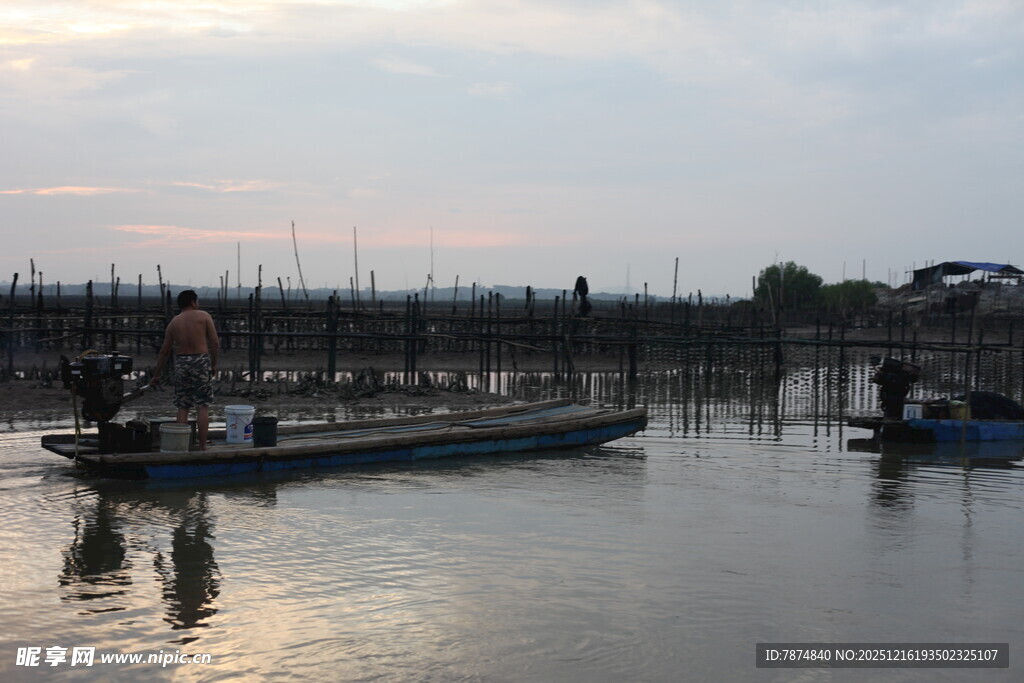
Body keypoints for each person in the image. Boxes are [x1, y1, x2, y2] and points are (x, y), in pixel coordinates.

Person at [151, 290, 220, 450]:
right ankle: (202, 446)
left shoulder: (174, 322)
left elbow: (164, 352)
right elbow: (215, 343)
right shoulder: (203, 316)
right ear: (193, 302)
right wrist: (213, 364)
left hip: (181, 362)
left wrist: (156, 375)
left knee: (183, 406)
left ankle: (179, 446)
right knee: (202, 405)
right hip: (201, 360)